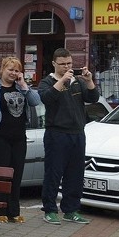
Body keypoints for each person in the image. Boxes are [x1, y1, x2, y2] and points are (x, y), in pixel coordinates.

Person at [37, 48, 100, 225]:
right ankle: (49, 210)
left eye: (69, 64)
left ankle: (71, 210)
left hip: (78, 133)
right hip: (56, 134)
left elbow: (93, 98)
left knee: (75, 174)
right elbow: (47, 99)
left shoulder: (77, 82)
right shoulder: (46, 82)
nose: (66, 67)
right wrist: (62, 81)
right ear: (54, 64)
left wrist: (89, 81)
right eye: (63, 64)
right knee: (53, 173)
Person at [0, 57, 41, 223]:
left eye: (16, 70)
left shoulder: (21, 88)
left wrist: (24, 86)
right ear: (2, 70)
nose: (13, 73)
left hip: (18, 138)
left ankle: (13, 211)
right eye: (10, 69)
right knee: (1, 174)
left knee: (16, 174)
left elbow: (36, 102)